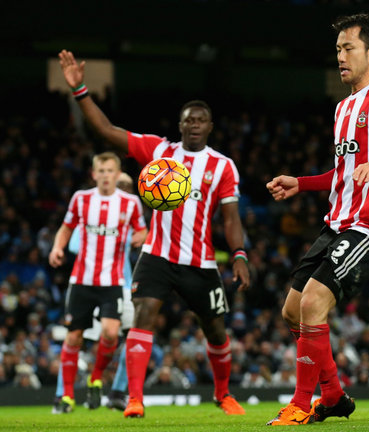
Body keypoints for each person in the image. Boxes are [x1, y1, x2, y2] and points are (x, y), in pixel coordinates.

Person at [58, 50, 251, 418]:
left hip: (201, 262)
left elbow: (230, 218)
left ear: (210, 127)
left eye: (201, 120)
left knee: (216, 333)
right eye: (188, 120)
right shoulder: (159, 151)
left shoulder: (223, 166)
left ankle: (223, 394)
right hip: (157, 255)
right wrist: (80, 89)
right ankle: (134, 399)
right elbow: (106, 131)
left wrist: (239, 254)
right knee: (143, 316)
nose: (194, 124)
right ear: (180, 125)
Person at [265, 13, 369, 426]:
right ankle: (333, 394)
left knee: (314, 303)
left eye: (348, 47)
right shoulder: (343, 107)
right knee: (291, 311)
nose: (340, 55)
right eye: (337, 49)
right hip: (336, 222)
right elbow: (342, 173)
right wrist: (300, 183)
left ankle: (301, 402)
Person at [49, 153, 147, 414]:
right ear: (94, 174)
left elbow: (142, 229)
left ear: (117, 174)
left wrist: (140, 236)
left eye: (110, 170)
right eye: (101, 170)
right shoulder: (81, 200)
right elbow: (66, 227)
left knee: (111, 334)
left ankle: (95, 378)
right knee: (73, 337)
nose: (105, 175)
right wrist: (57, 248)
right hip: (81, 281)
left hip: (113, 282)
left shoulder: (130, 203)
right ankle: (66, 397)